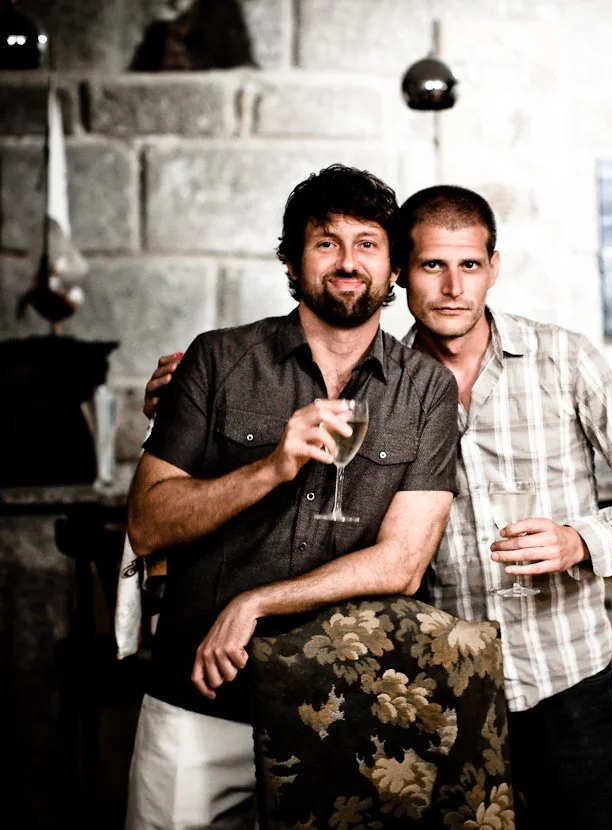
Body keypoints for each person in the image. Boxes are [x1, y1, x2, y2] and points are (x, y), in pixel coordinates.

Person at [144, 184, 612, 830]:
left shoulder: (565, 360)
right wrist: (185, 401)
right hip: (444, 688)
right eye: (433, 265)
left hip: (565, 676)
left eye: (470, 265)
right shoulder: (381, 381)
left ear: (494, 267)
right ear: (402, 274)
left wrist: (581, 541)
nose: (453, 287)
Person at [125, 165, 459, 830]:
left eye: (368, 244)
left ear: (393, 269)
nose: (348, 262)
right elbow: (147, 523)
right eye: (326, 243)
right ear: (290, 262)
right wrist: (271, 468)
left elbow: (403, 563)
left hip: (340, 705)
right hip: (199, 699)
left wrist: (256, 602)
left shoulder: (425, 390)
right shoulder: (216, 361)